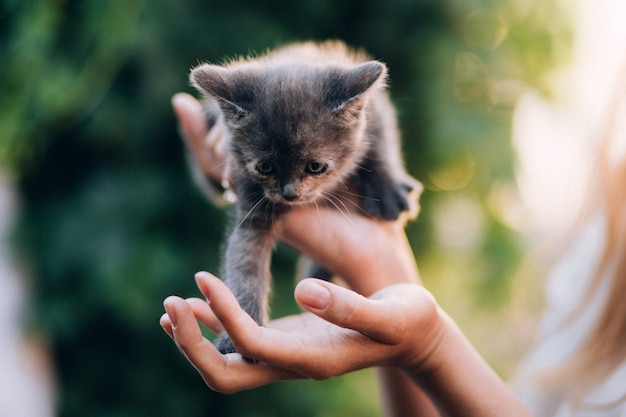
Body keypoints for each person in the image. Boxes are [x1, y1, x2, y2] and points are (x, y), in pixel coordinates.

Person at [160, 82, 626, 415]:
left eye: (313, 169)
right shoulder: (601, 241)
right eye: (270, 171)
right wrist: (374, 262)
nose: (291, 191)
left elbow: (371, 101)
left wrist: (431, 348)